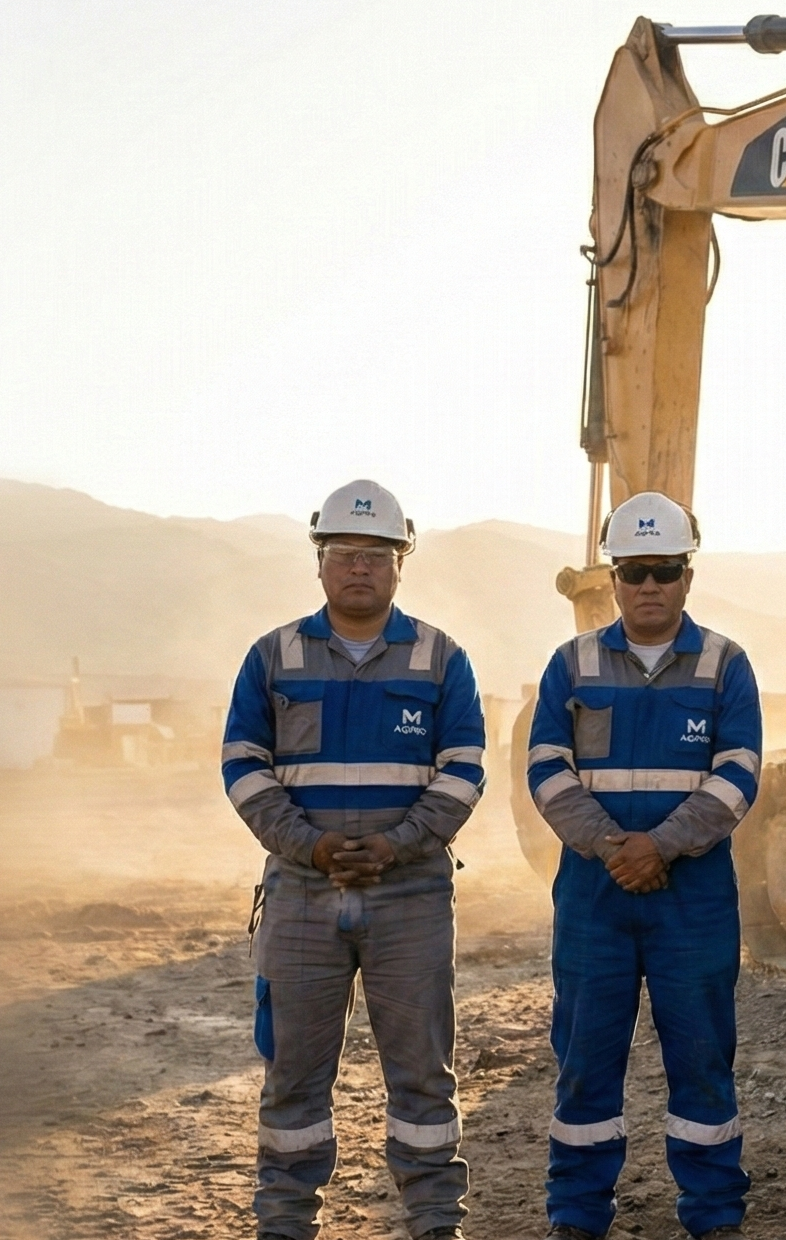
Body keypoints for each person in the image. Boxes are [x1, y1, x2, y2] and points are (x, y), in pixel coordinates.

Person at [220, 479, 486, 1240]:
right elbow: (242, 764)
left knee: (422, 1078)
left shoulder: (440, 659)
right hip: (303, 895)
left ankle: (436, 1224)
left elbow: (463, 769)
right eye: (344, 554)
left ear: (402, 561)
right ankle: (285, 1226)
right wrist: (309, 844)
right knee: (293, 1079)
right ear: (319, 562)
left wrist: (396, 845)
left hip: (410, 900)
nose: (359, 568)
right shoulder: (273, 657)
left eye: (376, 554)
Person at [526, 491, 761, 1240]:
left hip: (691, 896)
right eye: (634, 571)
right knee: (586, 1057)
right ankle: (576, 1213)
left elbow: (737, 775)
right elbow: (546, 771)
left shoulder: (727, 664)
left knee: (701, 1055)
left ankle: (713, 1213)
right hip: (595, 895)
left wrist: (658, 847)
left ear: (687, 576)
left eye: (664, 570)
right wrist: (610, 847)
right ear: (613, 579)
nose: (649, 586)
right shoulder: (571, 664)